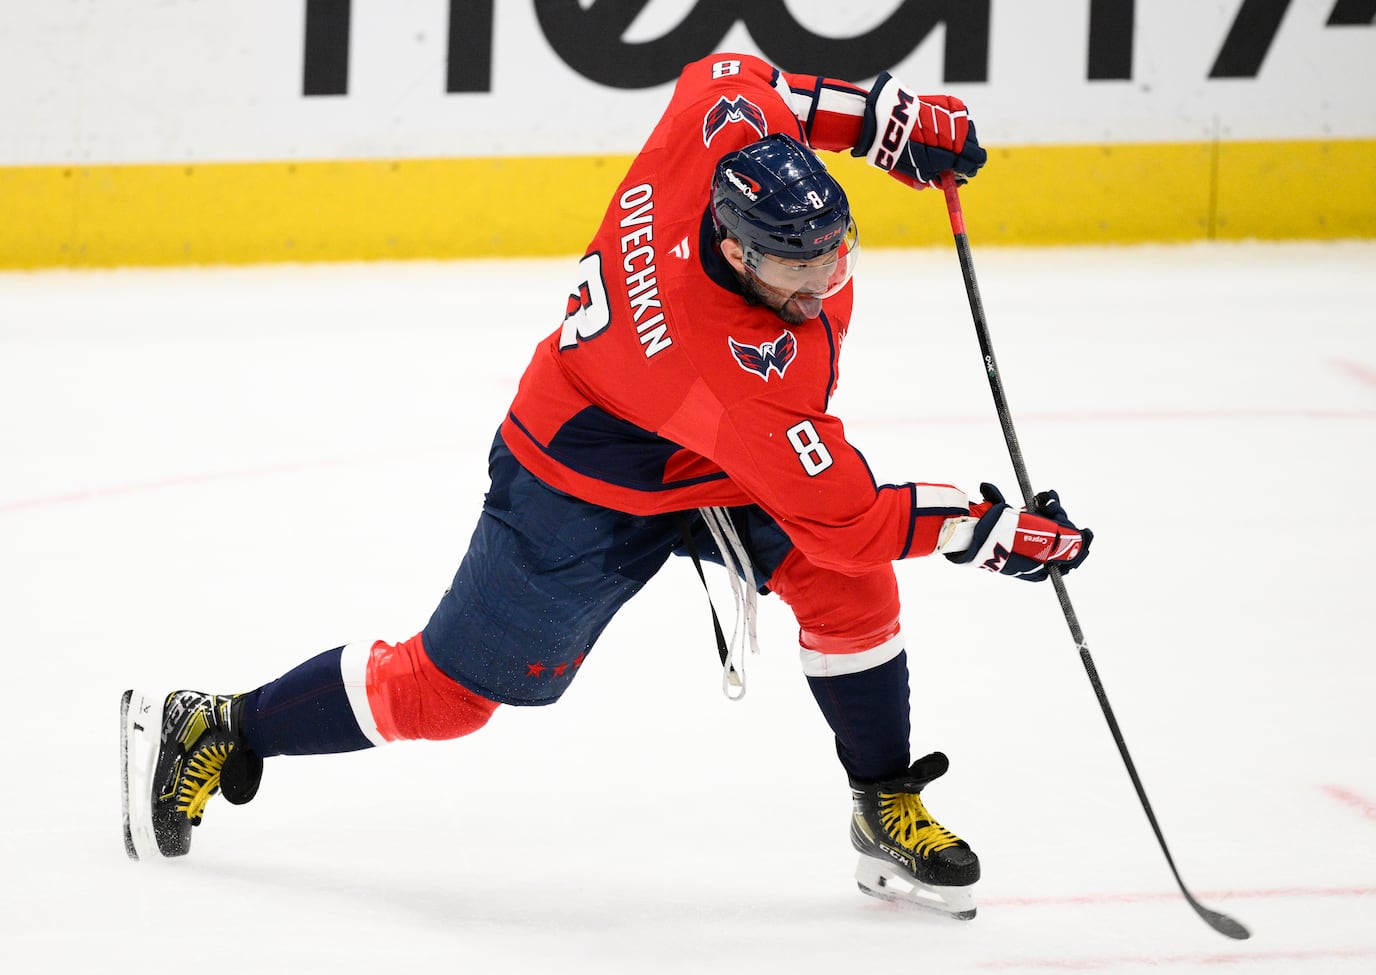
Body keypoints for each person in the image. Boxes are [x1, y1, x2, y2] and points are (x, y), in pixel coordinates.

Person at [119, 52, 1092, 920]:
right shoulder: (719, 362)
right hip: (581, 483)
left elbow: (752, 80)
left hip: (705, 452)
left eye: (833, 251)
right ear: (736, 246)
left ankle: (884, 799)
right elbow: (848, 516)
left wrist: (880, 122)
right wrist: (990, 527)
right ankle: (220, 721)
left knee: (849, 593)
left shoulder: (717, 127)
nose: (821, 280)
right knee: (447, 693)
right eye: (798, 265)